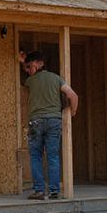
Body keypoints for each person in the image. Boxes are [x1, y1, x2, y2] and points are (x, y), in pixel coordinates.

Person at [19, 50, 79, 199]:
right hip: (54, 120)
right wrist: (73, 112)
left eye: (30, 66)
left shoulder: (31, 81)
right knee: (53, 156)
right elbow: (73, 95)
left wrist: (22, 63)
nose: (29, 69)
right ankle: (54, 191)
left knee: (35, 156)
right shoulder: (57, 79)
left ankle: (39, 191)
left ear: (38, 64)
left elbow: (24, 76)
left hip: (36, 121)